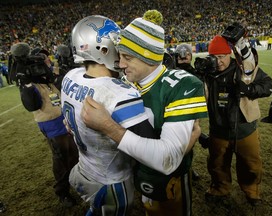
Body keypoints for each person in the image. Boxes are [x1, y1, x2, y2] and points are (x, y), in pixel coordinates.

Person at [81, 10, 208, 216]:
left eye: (128, 57)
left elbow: (167, 160)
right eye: (120, 56)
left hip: (168, 181)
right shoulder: (124, 84)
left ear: (149, 57)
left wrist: (108, 127)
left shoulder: (182, 84)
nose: (121, 65)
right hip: (137, 175)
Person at [61, 15, 157, 216]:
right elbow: (151, 149)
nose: (120, 49)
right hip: (111, 180)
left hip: (84, 167)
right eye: (115, 43)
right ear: (102, 49)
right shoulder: (118, 94)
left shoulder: (71, 76)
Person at [202, 34, 272, 206]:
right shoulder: (207, 73)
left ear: (230, 54)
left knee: (251, 164)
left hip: (245, 128)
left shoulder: (244, 68)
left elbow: (267, 85)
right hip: (218, 130)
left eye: (221, 56)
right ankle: (220, 188)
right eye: (214, 57)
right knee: (217, 164)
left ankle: (251, 191)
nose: (218, 61)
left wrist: (248, 89)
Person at [10, 43, 79, 208]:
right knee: (62, 158)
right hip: (50, 123)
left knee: (75, 155)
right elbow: (31, 105)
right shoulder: (32, 80)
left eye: (46, 56)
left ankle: (76, 182)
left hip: (67, 118)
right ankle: (62, 192)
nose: (45, 59)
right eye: (40, 56)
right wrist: (25, 84)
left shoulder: (52, 73)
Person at [174, 43, 200, 180]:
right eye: (181, 54)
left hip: (192, 114)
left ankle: (188, 168)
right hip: (174, 114)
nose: (184, 57)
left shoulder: (197, 72)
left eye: (187, 54)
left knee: (191, 143)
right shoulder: (170, 71)